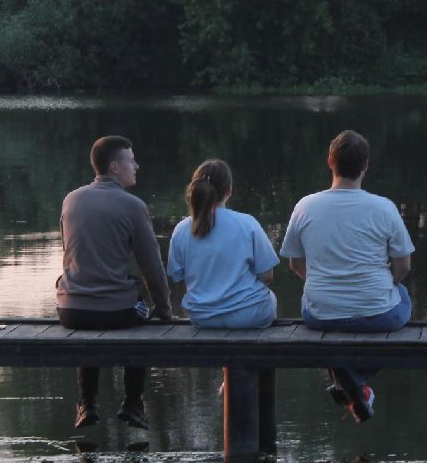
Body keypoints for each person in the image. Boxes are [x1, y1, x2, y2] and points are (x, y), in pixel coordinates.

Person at [280, 130, 414, 422]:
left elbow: (294, 264)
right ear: (366, 165)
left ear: (330, 161)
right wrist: (385, 285)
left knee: (338, 325)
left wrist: (327, 286)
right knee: (402, 297)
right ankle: (356, 379)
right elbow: (403, 267)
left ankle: (352, 382)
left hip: (319, 313)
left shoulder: (305, 206)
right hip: (378, 313)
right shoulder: (384, 208)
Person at [56, 135, 173, 430]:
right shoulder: (133, 206)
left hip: (71, 312)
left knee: (87, 318)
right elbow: (152, 267)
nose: (136, 165)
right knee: (142, 317)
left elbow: (69, 256)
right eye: (130, 160)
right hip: (117, 313)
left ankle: (87, 402)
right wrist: (164, 307)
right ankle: (133, 403)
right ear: (114, 167)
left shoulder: (71, 199)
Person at [166, 159, 279, 329]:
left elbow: (176, 275)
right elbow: (267, 275)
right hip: (249, 314)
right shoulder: (247, 223)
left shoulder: (181, 230)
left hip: (202, 317)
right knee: (270, 298)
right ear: (229, 190)